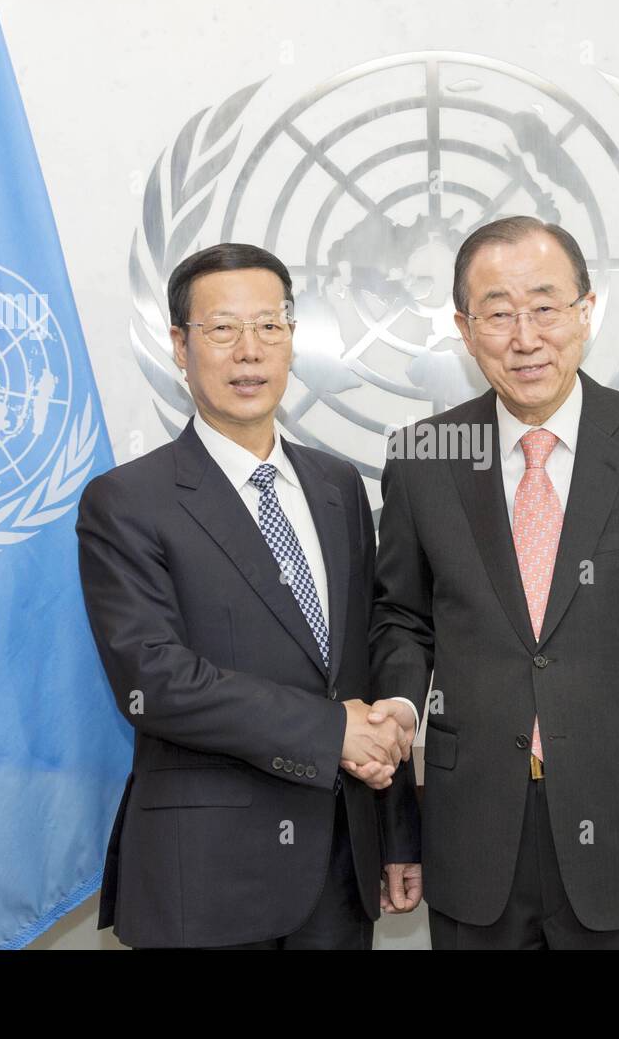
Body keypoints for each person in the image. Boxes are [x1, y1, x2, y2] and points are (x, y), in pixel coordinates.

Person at [363, 216, 619, 949]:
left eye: (545, 306)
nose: (526, 337)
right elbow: (402, 620)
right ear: (464, 328)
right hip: (476, 829)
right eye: (498, 313)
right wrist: (398, 713)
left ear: (586, 311)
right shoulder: (424, 458)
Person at [77, 243, 421, 949]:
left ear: (292, 337)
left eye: (269, 325)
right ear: (180, 346)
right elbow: (155, 682)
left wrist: (395, 834)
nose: (250, 351)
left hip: (339, 874)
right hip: (206, 880)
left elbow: (360, 663)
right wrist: (329, 732)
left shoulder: (337, 487)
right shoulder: (127, 501)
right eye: (223, 329)